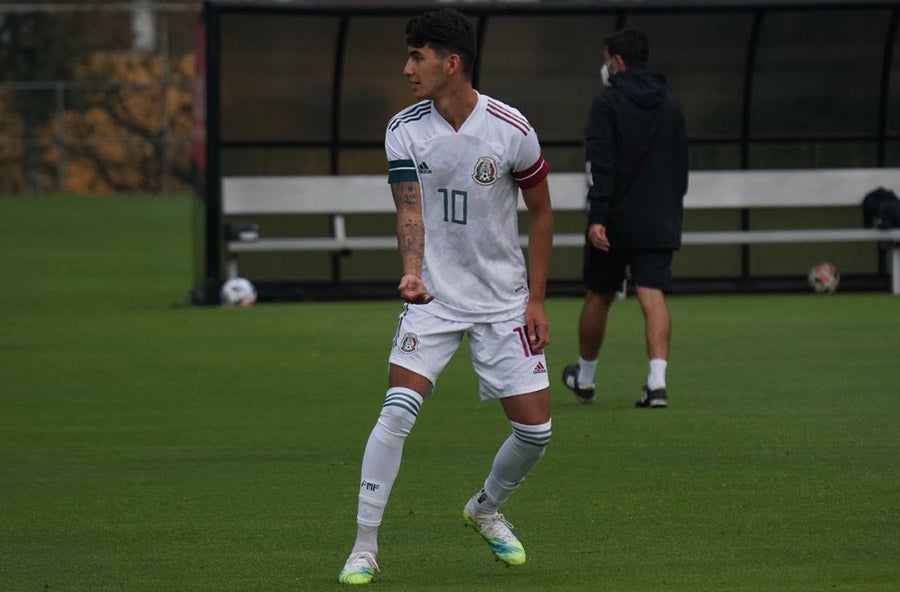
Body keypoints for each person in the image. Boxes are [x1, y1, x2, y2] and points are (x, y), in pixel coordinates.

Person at [338, 8, 554, 585]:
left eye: (418, 57)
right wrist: (413, 273)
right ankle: (364, 547)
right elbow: (410, 209)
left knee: (536, 432)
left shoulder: (511, 129)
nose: (408, 68)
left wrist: (535, 300)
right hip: (432, 299)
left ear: (451, 63)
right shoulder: (403, 128)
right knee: (397, 410)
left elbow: (542, 213)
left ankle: (484, 509)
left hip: (503, 301)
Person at [562, 29, 688, 409]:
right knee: (653, 295)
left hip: (614, 220)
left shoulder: (608, 103)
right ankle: (657, 384)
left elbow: (602, 165)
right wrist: (670, 210)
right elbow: (681, 165)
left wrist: (597, 217)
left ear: (616, 61)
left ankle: (584, 379)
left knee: (599, 296)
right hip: (658, 218)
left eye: (605, 59)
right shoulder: (670, 104)